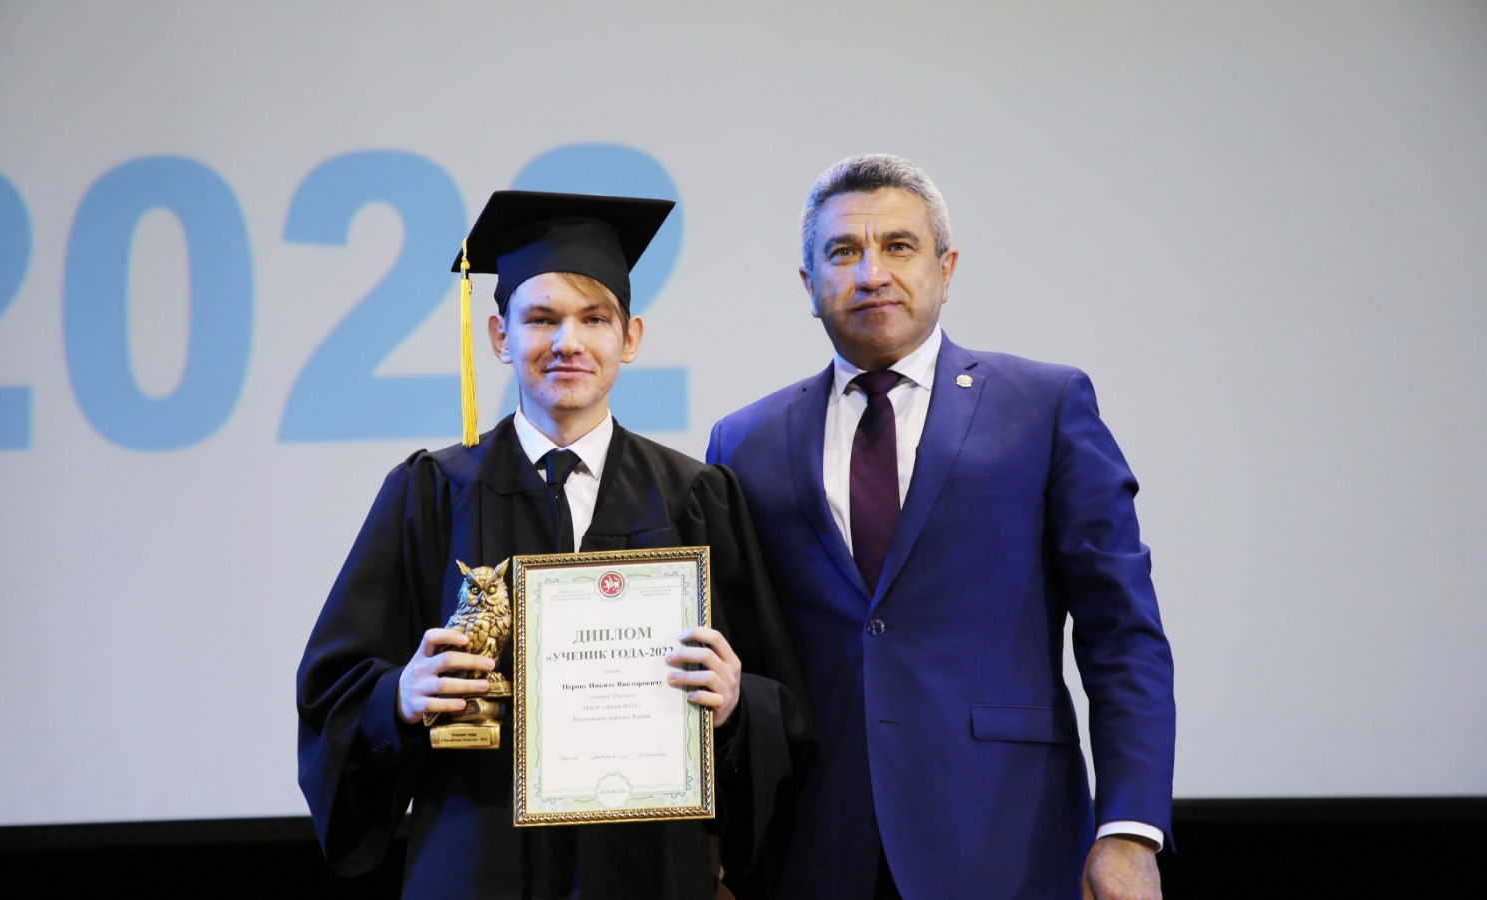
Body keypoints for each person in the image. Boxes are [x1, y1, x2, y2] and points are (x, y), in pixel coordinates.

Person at [298, 191, 811, 900]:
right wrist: (400, 697)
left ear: (630, 338)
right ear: (500, 337)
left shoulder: (695, 498)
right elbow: (335, 691)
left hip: (649, 867)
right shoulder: (433, 493)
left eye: (594, 318)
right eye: (541, 318)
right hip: (481, 862)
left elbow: (782, 708)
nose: (568, 342)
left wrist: (734, 705)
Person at [705, 155, 1176, 900]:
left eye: (898, 246)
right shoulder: (745, 441)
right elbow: (733, 660)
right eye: (843, 252)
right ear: (808, 284)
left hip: (1008, 839)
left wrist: (1130, 829)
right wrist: (712, 848)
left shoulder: (1045, 406)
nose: (871, 274)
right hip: (813, 849)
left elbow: (1122, 634)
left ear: (946, 269)